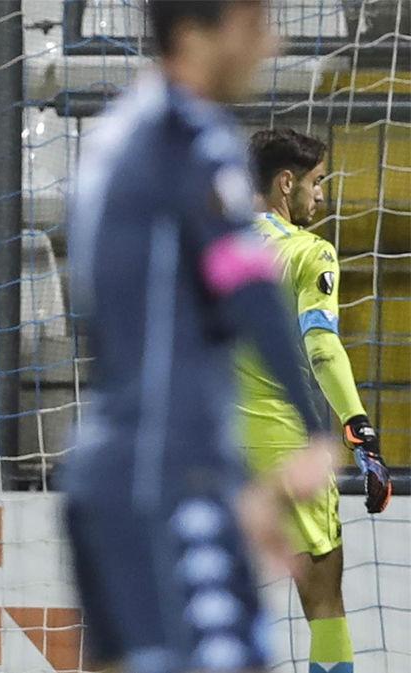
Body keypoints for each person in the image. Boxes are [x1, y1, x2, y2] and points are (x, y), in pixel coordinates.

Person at [63, 3, 338, 672]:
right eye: (254, 26)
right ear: (195, 36)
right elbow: (248, 289)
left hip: (107, 464)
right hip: (170, 473)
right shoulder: (191, 134)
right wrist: (314, 429)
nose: (273, 43)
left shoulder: (117, 132)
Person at [236, 127, 391, 673]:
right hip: (287, 452)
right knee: (324, 605)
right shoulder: (308, 251)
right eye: (317, 182)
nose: (321, 195)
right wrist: (361, 433)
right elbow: (322, 348)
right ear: (286, 183)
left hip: (212, 452)